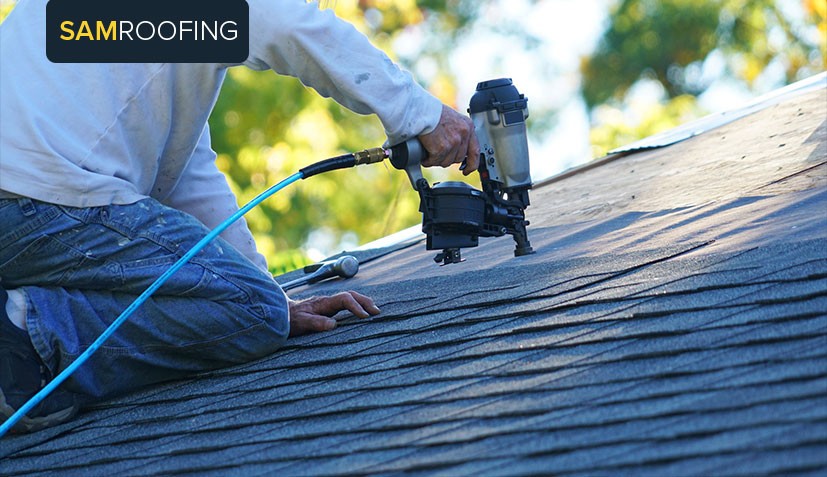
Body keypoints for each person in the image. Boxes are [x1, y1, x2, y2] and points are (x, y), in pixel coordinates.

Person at [0, 0, 480, 433]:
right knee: (254, 312)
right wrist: (421, 113)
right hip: (38, 195)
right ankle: (20, 340)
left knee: (256, 308)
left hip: (29, 196)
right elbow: (281, 21)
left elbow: (186, 173)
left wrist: (269, 297)